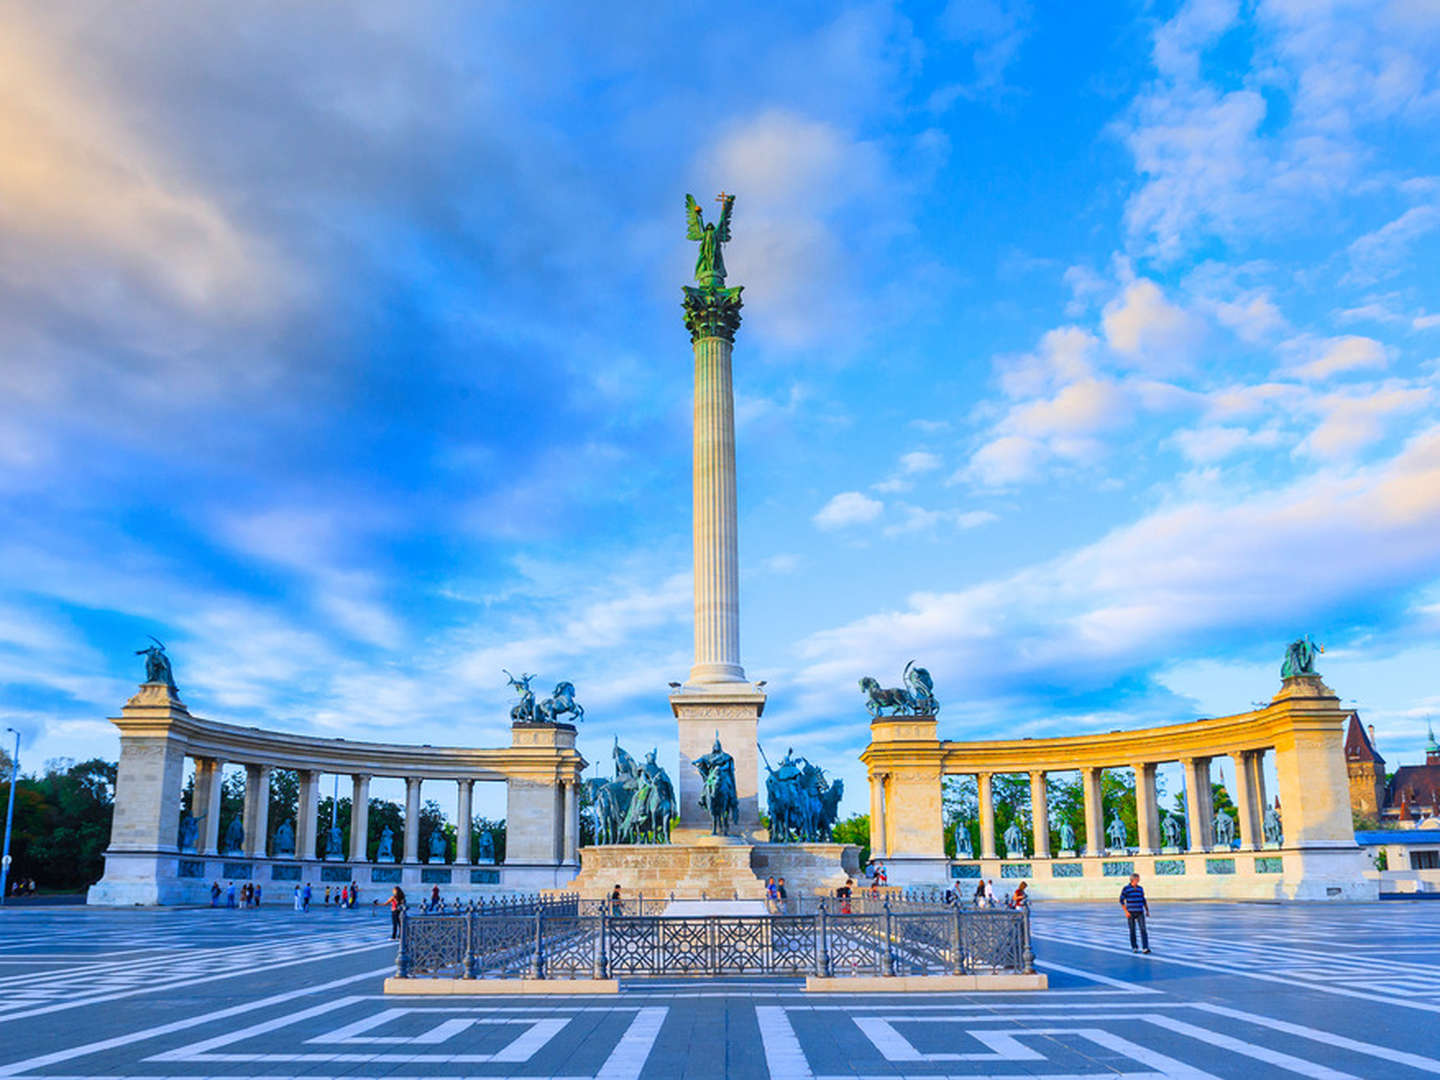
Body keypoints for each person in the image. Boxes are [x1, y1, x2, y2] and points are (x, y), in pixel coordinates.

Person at [1119, 872, 1151, 954]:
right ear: (1134, 879)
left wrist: (1147, 910)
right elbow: (1121, 900)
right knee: (1132, 930)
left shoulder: (1140, 888)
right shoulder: (1126, 889)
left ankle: (1145, 947)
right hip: (1131, 912)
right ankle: (1134, 947)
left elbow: (1143, 899)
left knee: (1143, 929)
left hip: (1140, 911)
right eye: (1138, 879)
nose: (1139, 880)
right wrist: (1126, 911)